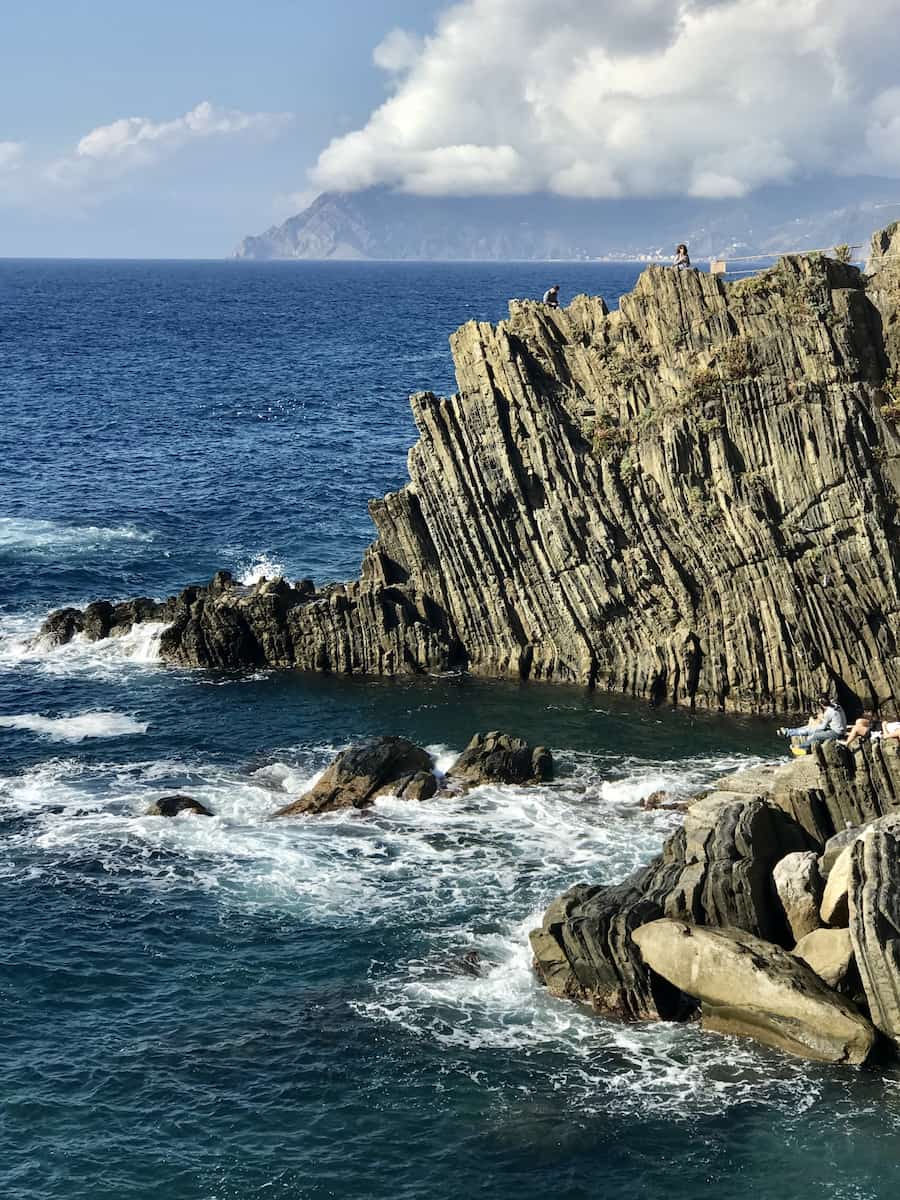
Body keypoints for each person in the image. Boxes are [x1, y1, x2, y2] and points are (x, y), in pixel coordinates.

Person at [778, 694, 847, 753]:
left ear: (821, 704)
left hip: (836, 733)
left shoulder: (829, 712)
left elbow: (822, 727)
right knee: (809, 729)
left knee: (814, 735)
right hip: (839, 730)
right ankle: (788, 732)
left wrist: (813, 726)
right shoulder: (837, 706)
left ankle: (801, 747)